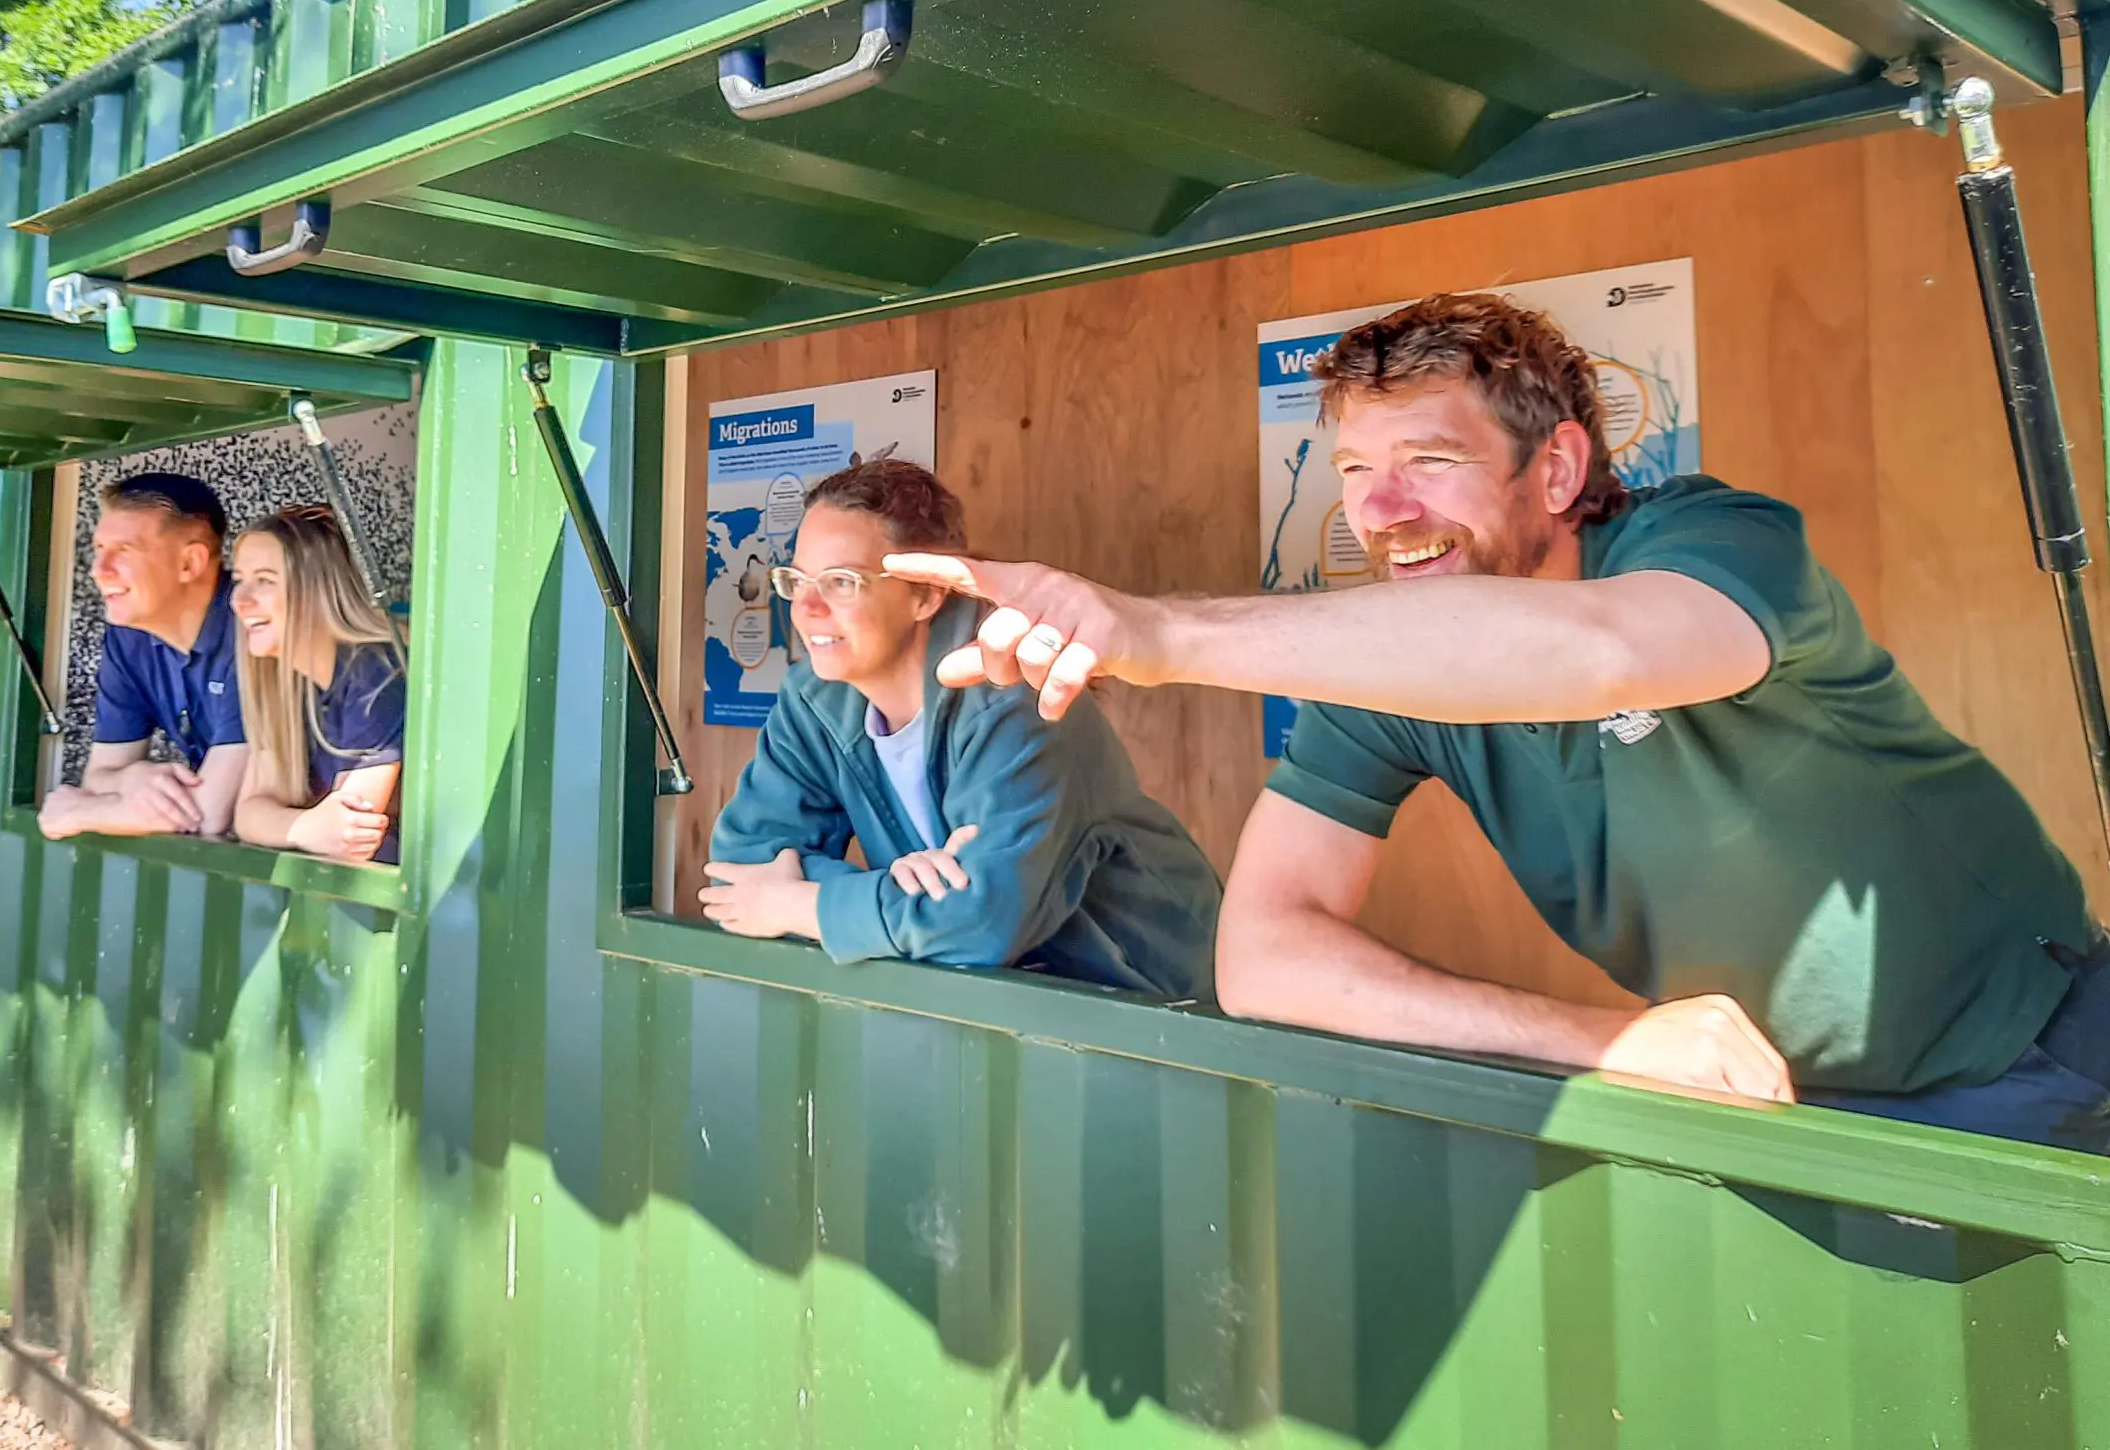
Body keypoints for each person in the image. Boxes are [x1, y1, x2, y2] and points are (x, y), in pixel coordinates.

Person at [889, 292, 2110, 1152]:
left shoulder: (1716, 540)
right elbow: (1264, 961)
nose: (1383, 510)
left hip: (2036, 1055)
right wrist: (1604, 1042)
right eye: (1355, 472)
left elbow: (1600, 652)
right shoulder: (1386, 668)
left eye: (1426, 460)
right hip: (1767, 1104)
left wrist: (1162, 637)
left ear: (1560, 472)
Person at [701, 460, 1222, 1001]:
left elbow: (978, 924)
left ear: (925, 596)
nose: (806, 609)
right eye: (797, 580)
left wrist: (797, 904)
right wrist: (894, 892)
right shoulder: (814, 697)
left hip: (1154, 1006)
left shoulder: (1015, 696)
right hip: (999, 1003)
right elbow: (739, 872)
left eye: (841, 583)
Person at [40, 473, 246, 841]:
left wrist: (76, 812)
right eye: (100, 549)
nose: (98, 571)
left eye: (125, 551)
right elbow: (100, 775)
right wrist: (132, 777)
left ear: (190, 563)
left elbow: (206, 814)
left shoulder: (255, 627)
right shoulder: (128, 635)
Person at [229, 505, 408, 865]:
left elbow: (348, 832)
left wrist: (296, 826)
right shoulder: (287, 682)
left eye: (265, 580)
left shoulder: (378, 672)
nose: (240, 601)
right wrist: (302, 827)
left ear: (317, 591)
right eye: (238, 580)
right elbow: (248, 813)